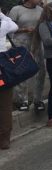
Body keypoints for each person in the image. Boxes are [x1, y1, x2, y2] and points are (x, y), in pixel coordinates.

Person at [9, 0, 46, 111]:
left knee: (40, 71)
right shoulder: (17, 10)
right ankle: (22, 100)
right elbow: (9, 28)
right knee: (22, 71)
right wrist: (24, 29)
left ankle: (38, 99)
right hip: (21, 44)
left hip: (37, 44)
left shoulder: (41, 10)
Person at [0, 11, 18, 149]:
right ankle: (4, 138)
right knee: (5, 104)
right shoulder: (3, 24)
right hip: (2, 70)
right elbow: (14, 26)